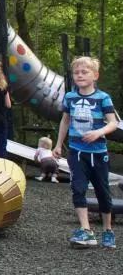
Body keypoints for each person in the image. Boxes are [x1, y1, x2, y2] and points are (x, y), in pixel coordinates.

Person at [54, 56, 119, 249]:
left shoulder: (103, 98)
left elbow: (113, 122)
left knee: (102, 192)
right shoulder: (70, 97)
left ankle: (107, 230)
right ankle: (86, 230)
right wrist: (58, 145)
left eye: (84, 72)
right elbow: (65, 120)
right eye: (76, 72)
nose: (80, 75)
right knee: (78, 188)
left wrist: (99, 132)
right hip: (76, 152)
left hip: (98, 153)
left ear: (95, 75)